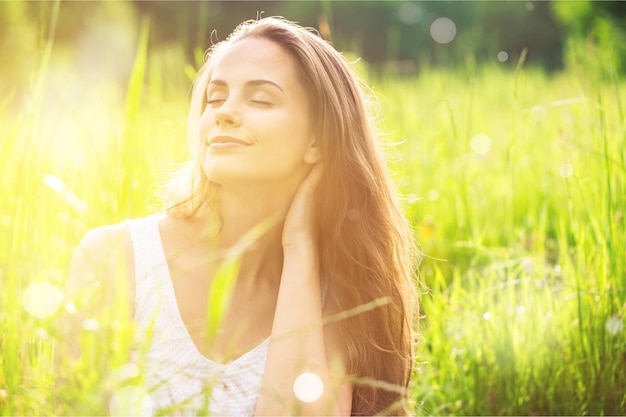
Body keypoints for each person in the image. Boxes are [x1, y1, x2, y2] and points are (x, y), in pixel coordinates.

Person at [68, 16, 418, 416]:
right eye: (215, 98)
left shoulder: (338, 299)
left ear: (318, 139)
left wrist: (300, 248)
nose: (224, 113)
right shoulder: (114, 258)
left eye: (261, 100)